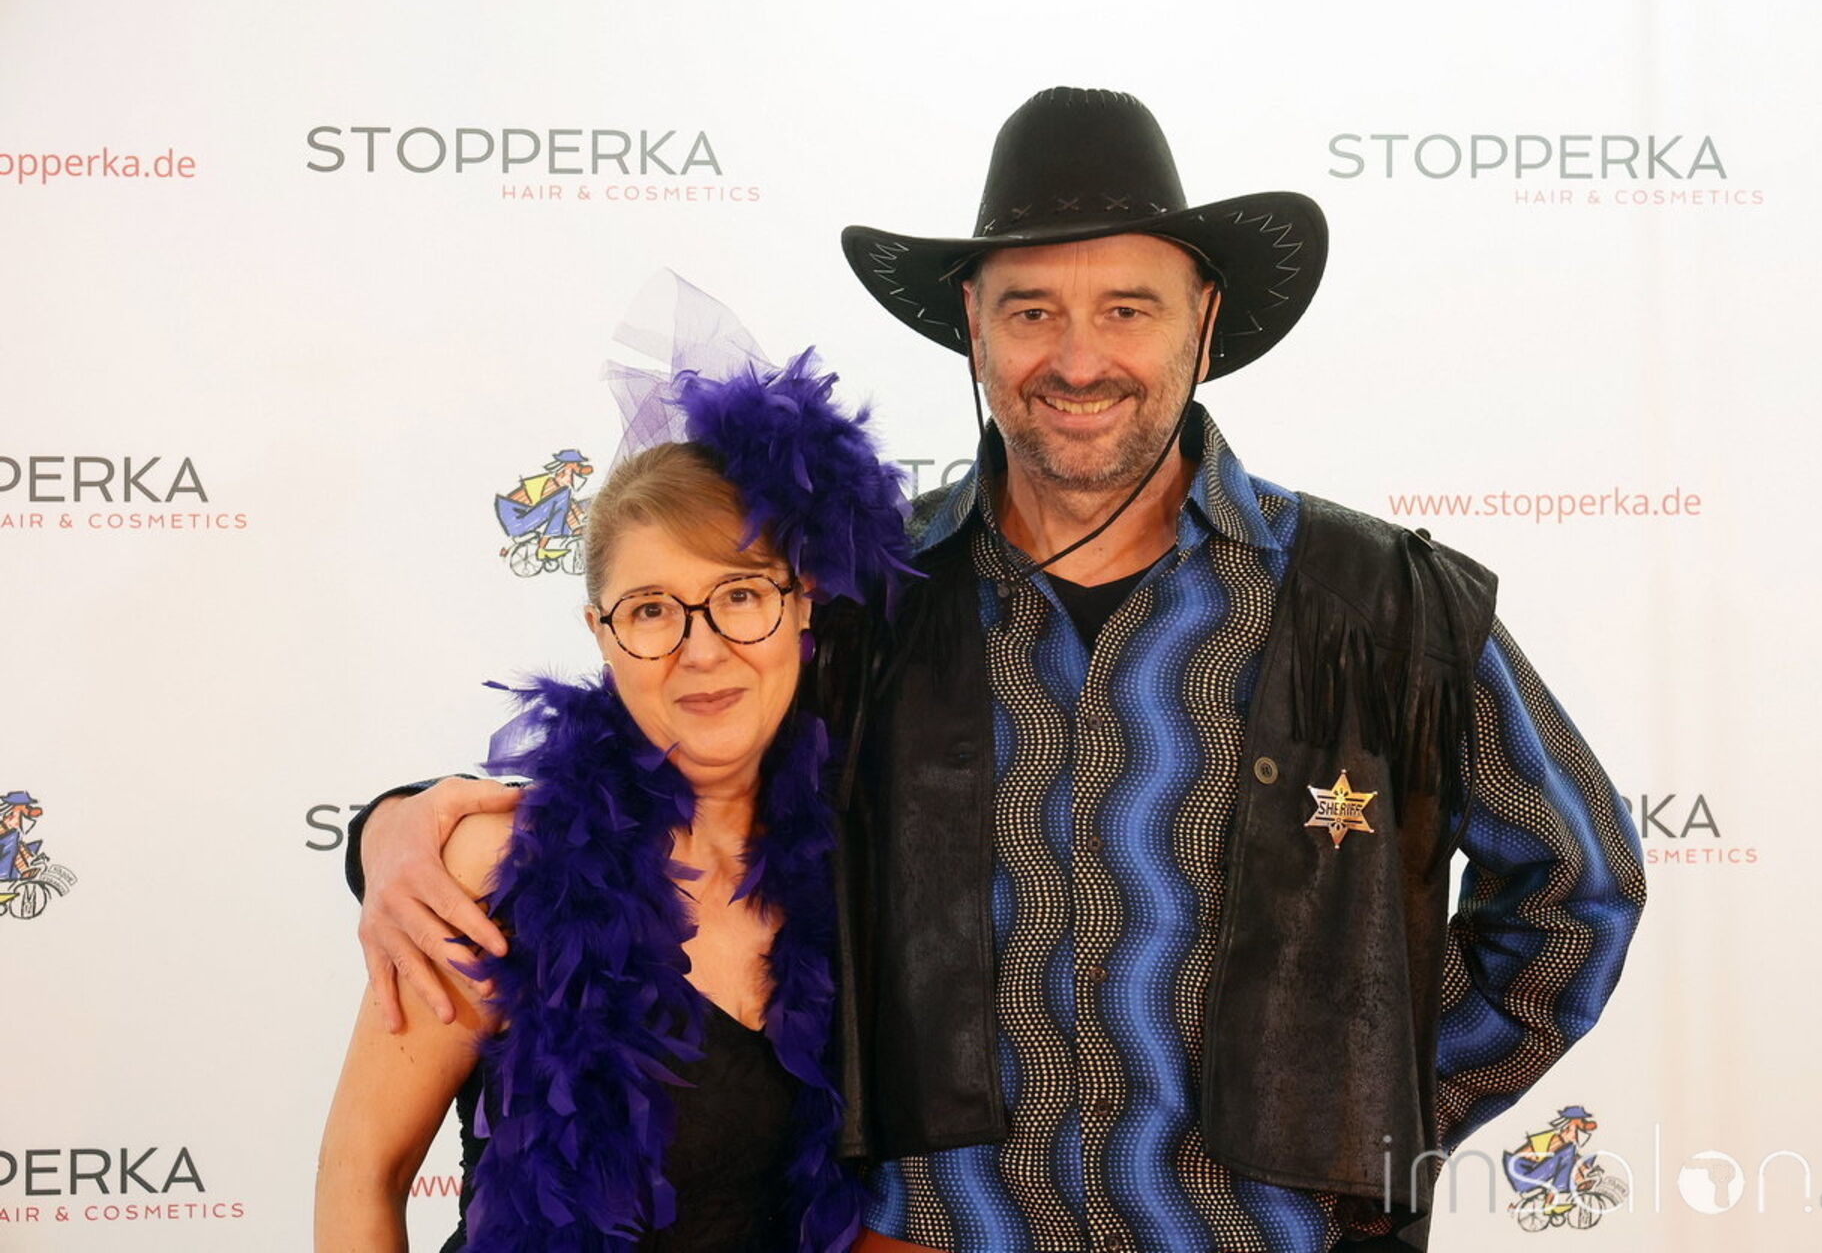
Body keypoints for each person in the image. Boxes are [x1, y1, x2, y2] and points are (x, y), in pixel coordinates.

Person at [349, 88, 1647, 1252]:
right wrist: (406, 825)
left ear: (1203, 323)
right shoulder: (863, 600)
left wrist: (1364, 1112)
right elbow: (675, 744)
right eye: (1032, 311)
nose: (1077, 358)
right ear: (973, 328)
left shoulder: (1383, 602)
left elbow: (1576, 890)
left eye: (1127, 308)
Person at [316, 352, 909, 1252]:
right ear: (601, 634)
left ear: (802, 606)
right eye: (651, 610)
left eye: (739, 594)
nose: (701, 650)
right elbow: (364, 1171)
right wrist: (390, 828)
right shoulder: (499, 867)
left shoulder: (859, 868)